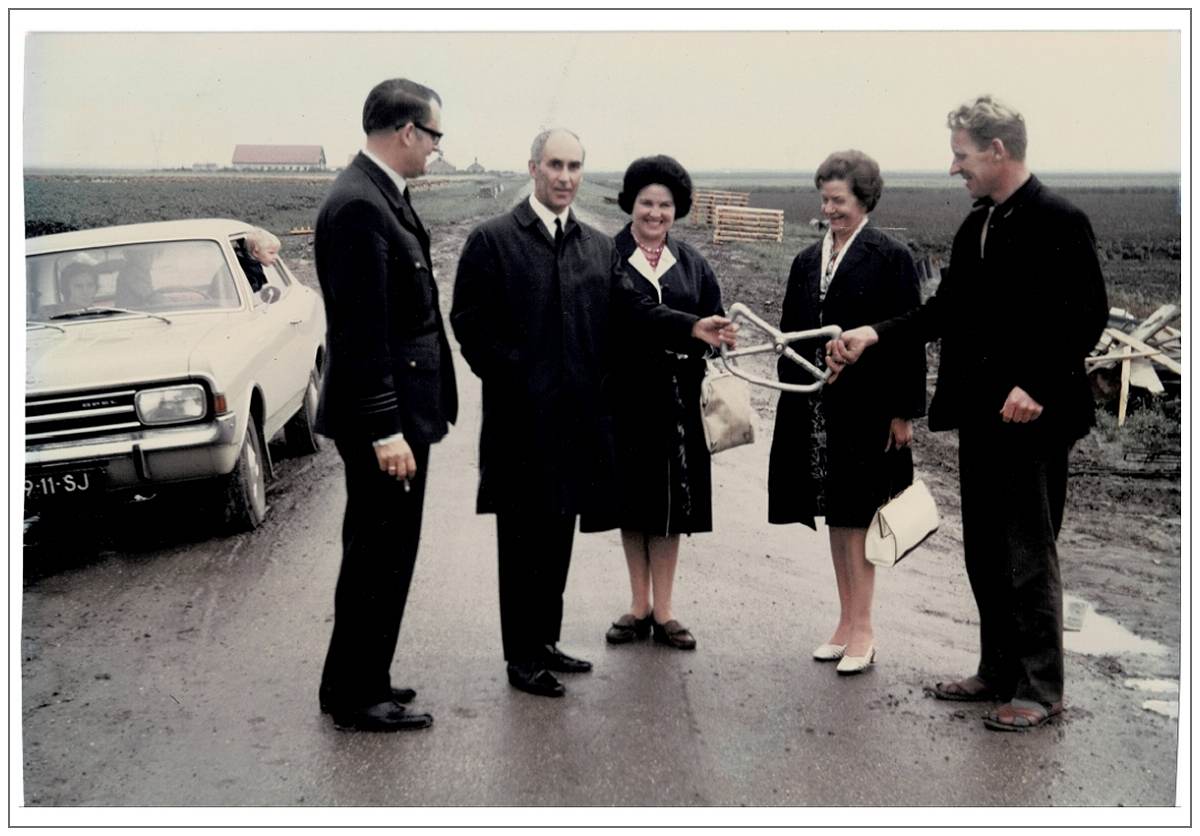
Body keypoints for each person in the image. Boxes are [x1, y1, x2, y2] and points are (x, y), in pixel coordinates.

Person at [826, 96, 1108, 730]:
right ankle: (996, 671)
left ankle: (1039, 688)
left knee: (1028, 552)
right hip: (982, 416)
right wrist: (875, 332)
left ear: (997, 150)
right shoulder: (978, 223)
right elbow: (943, 312)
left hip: (1033, 418)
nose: (955, 168)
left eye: (962, 155)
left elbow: (1085, 315)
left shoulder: (1059, 219)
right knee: (984, 548)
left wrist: (1036, 384)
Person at [450, 129, 734, 698]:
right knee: (522, 542)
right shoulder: (493, 240)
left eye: (574, 166)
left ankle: (547, 642)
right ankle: (522, 659)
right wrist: (520, 380)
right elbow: (470, 328)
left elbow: (631, 309)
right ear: (532, 167)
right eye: (554, 164)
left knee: (558, 536)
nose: (564, 176)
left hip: (576, 424)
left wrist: (689, 325)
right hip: (521, 424)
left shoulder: (595, 245)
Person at [311, 78, 457, 732]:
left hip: (396, 414)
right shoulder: (359, 206)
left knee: (382, 551)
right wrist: (385, 429)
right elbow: (361, 332)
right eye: (434, 137)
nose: (436, 150)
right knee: (378, 553)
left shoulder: (376, 194)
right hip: (385, 422)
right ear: (406, 133)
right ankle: (356, 695)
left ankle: (359, 676)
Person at [767, 150, 926, 675]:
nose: (828, 209)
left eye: (839, 200)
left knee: (859, 517)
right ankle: (843, 621)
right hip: (815, 406)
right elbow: (792, 329)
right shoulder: (807, 259)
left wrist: (903, 414)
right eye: (825, 199)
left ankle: (865, 629)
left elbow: (909, 337)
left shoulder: (891, 256)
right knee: (836, 518)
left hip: (869, 407)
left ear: (864, 200)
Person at [603, 155, 723, 651]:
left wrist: (717, 336)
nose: (655, 214)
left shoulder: (693, 262)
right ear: (631, 204)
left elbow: (712, 320)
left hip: (679, 399)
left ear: (678, 210)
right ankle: (638, 605)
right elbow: (614, 317)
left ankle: (666, 610)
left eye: (665, 205)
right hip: (624, 397)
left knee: (673, 505)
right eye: (646, 203)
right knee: (633, 503)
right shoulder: (606, 255)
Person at [238, 228, 281, 293]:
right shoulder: (248, 271)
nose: (276, 257)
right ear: (256, 252)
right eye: (271, 253)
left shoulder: (255, 265)